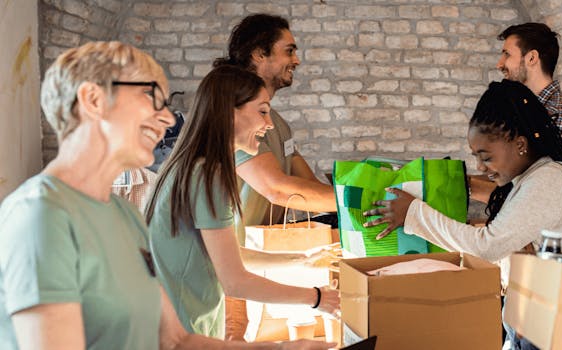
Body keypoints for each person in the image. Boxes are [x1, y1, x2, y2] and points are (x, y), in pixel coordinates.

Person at [0, 41, 334, 350]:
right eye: (151, 99)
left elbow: (175, 341)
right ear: (92, 101)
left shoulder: (123, 214)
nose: (165, 118)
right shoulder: (42, 216)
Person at [363, 79, 562, 347]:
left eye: (486, 157)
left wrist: (414, 214)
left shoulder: (547, 179)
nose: (481, 167)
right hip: (533, 322)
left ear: (520, 144)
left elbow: (489, 245)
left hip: (547, 330)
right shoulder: (532, 177)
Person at [145, 65, 340, 340]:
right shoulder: (207, 175)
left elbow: (227, 258)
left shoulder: (191, 167)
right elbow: (235, 282)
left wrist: (301, 260)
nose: (269, 123)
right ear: (229, 112)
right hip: (181, 333)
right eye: (262, 111)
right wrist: (318, 298)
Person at [213, 13, 339, 339]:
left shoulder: (276, 123)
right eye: (289, 50)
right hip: (232, 264)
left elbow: (308, 188)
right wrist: (357, 200)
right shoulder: (240, 119)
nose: (297, 59)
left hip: (261, 257)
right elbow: (278, 189)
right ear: (259, 54)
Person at [496, 22, 562, 170]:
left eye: (507, 54)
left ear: (532, 58)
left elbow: (547, 186)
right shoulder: (527, 110)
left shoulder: (560, 114)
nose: (499, 64)